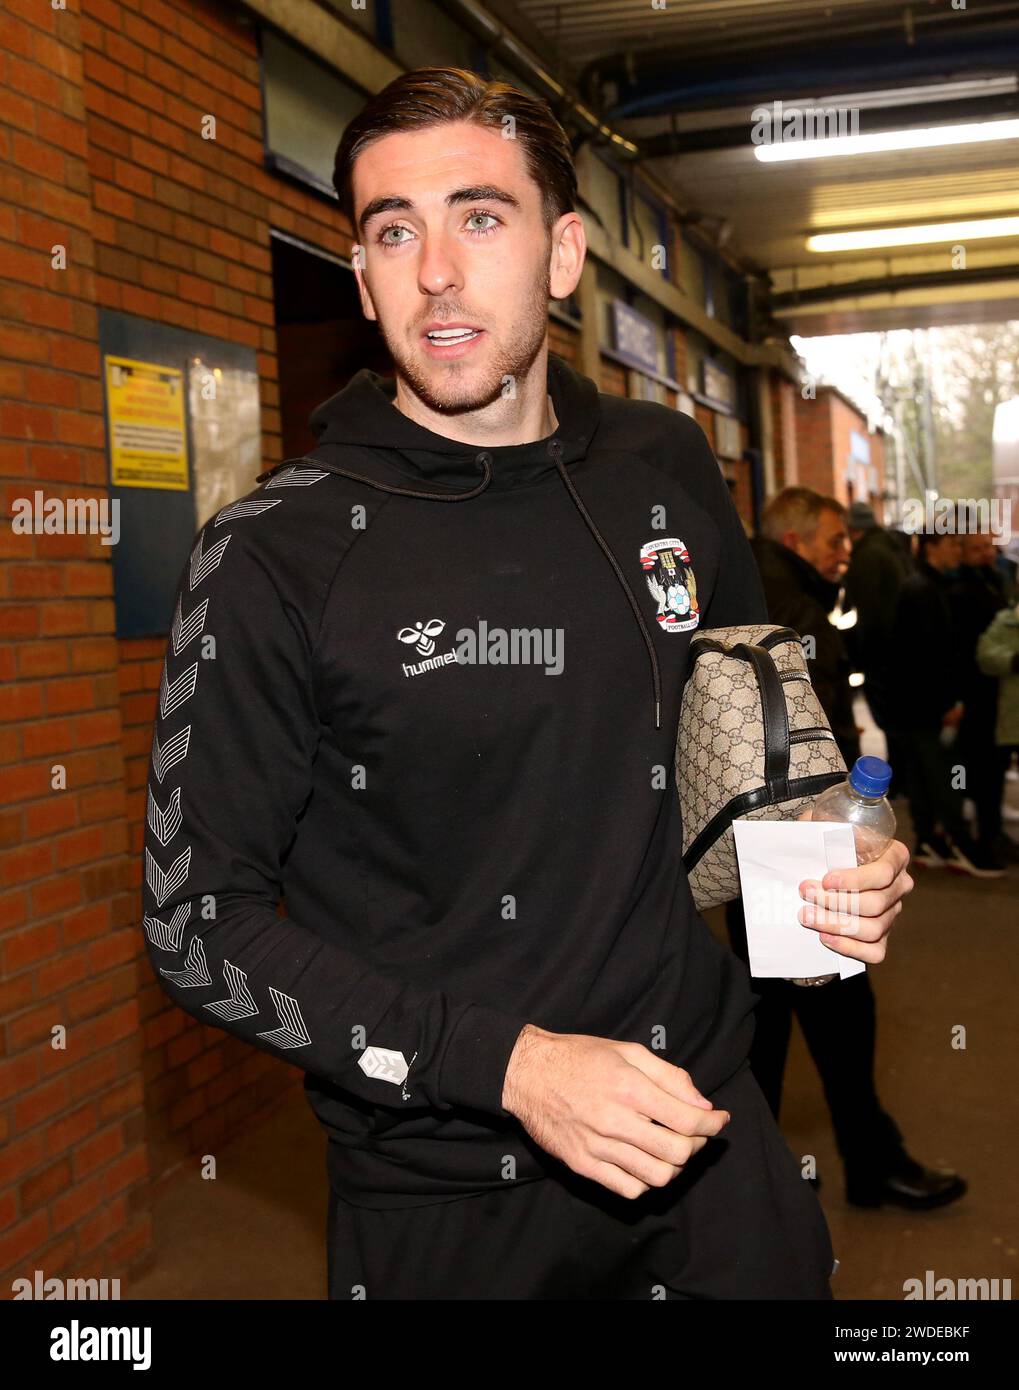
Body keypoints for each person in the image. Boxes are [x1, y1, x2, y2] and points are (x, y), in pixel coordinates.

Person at [140, 67, 913, 1301]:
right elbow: (195, 926)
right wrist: (512, 1067)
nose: (435, 269)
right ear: (361, 273)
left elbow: (746, 746)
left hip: (709, 1144)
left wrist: (828, 881)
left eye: (478, 217)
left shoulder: (663, 469)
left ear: (562, 256)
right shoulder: (272, 551)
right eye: (393, 230)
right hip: (450, 1204)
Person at [724, 487, 964, 1210]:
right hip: (794, 843)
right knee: (827, 1005)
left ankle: (766, 1175)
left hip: (775, 842)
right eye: (833, 538)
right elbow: (793, 727)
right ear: (796, 538)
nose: (844, 550)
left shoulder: (768, 585)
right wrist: (831, 821)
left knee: (770, 1011)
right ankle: (841, 1168)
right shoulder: (780, 597)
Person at [889, 519, 1005, 877]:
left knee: (929, 776)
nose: (959, 550)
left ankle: (930, 840)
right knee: (945, 776)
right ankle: (957, 842)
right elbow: (929, 656)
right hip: (929, 706)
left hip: (920, 704)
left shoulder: (931, 586)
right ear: (931, 547)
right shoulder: (923, 590)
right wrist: (949, 703)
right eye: (953, 544)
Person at [948, 531, 1015, 868]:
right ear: (962, 552)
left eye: (988, 546)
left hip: (997, 696)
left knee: (996, 766)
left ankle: (994, 832)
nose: (985, 553)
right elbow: (959, 652)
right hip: (975, 696)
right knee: (978, 769)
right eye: (976, 548)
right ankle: (982, 837)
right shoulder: (959, 593)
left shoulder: (998, 581)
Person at [842, 500, 911, 796]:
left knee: (891, 720)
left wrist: (856, 655)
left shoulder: (868, 556)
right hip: (899, 649)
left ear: (853, 530)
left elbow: (869, 613)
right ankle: (907, 779)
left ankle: (903, 782)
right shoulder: (894, 548)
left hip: (882, 653)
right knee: (899, 721)